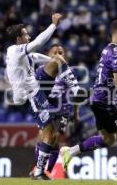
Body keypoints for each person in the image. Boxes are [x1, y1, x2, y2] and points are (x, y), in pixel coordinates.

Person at [60, 18, 117, 181]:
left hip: (98, 100)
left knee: (108, 139)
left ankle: (70, 151)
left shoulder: (108, 50)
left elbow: (116, 80)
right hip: (106, 102)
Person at [5, 13, 82, 180]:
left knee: (52, 135)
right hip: (32, 95)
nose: (29, 36)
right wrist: (53, 25)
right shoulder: (16, 50)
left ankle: (39, 171)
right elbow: (38, 43)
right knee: (48, 134)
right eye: (26, 34)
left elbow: (36, 57)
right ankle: (39, 171)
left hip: (36, 90)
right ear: (19, 38)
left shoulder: (19, 53)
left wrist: (55, 60)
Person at [30, 45, 81, 179]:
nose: (58, 54)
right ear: (48, 55)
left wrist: (76, 112)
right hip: (46, 108)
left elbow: (75, 95)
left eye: (61, 52)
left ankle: (47, 171)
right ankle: (38, 168)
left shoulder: (68, 72)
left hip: (62, 110)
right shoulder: (41, 71)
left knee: (55, 140)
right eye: (55, 52)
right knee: (43, 137)